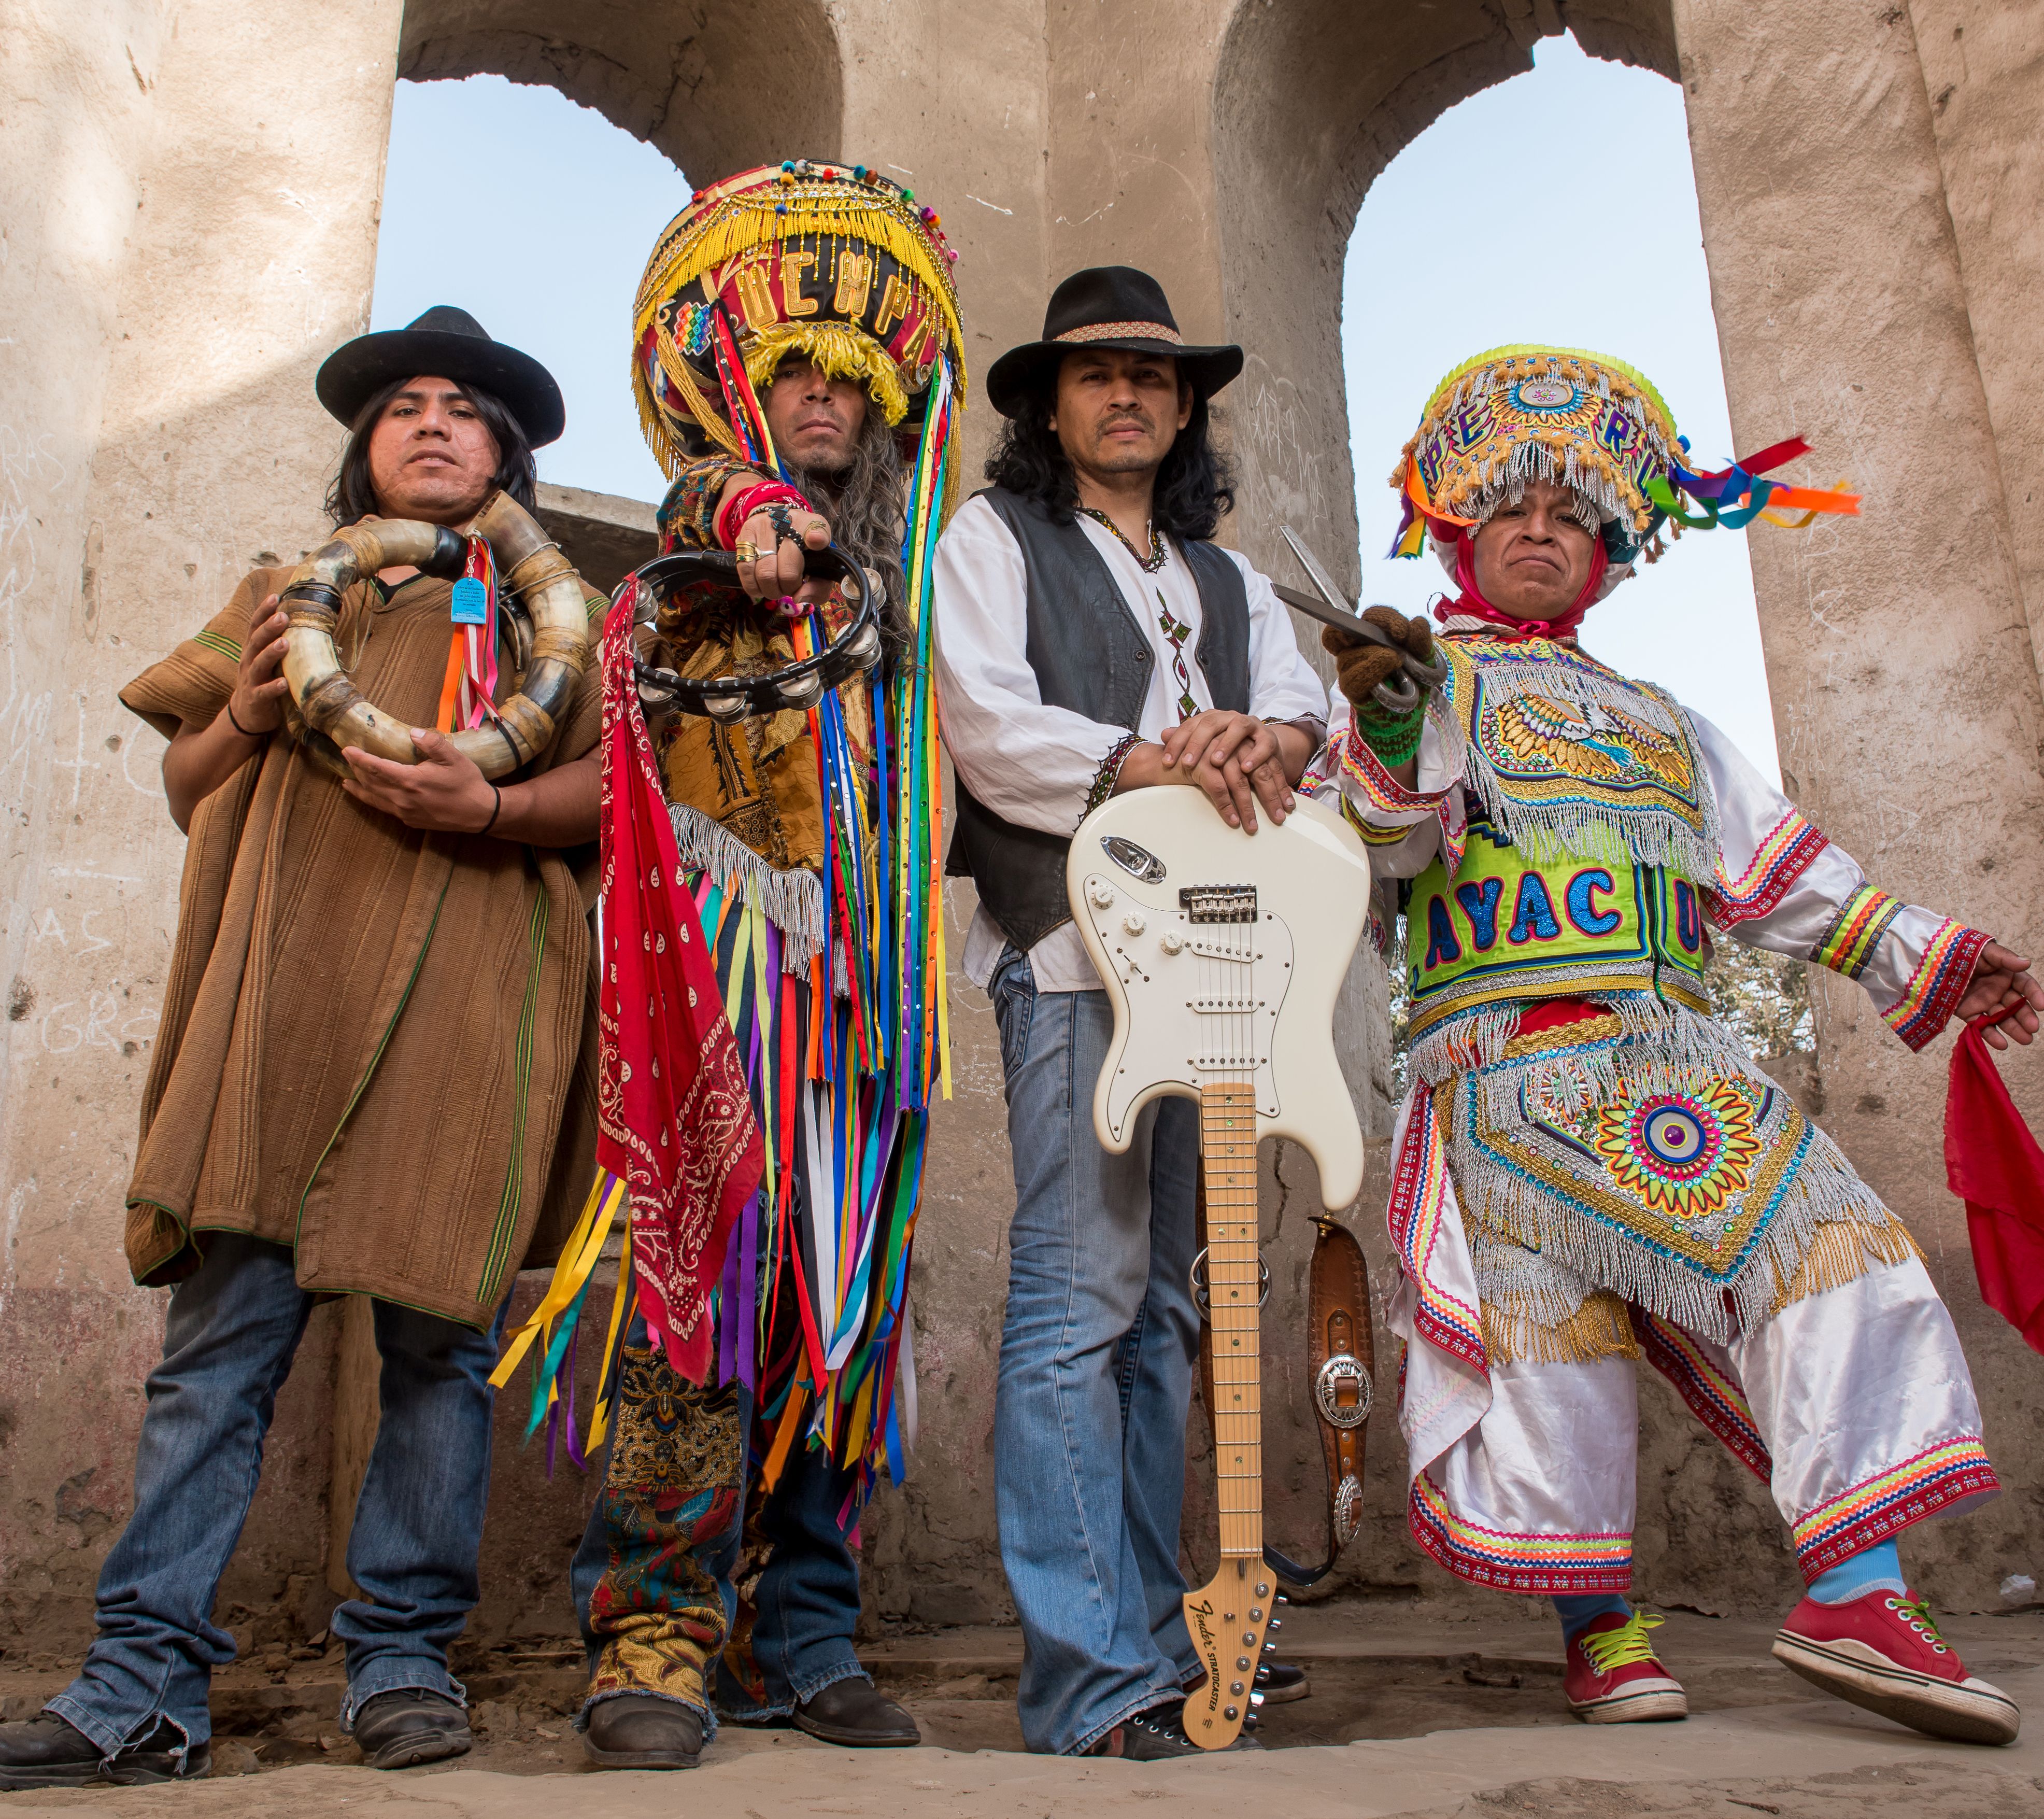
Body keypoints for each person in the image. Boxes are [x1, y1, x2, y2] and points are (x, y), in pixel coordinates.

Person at [1311, 343, 2041, 1744]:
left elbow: (1791, 878)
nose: (1542, 528)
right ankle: (1620, 1629)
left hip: (1670, 1063)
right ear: (1459, 524)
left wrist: (1939, 956)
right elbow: (1389, 851)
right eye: (1513, 503)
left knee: (1823, 1247)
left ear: (1615, 551)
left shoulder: (1668, 724)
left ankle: (1845, 1587)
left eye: (1576, 513)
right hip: (1499, 1078)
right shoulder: (1419, 683)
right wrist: (1392, 719)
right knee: (1569, 1348)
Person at [0, 307, 609, 1790]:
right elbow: (182, 782)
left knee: (437, 1351)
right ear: (366, 446)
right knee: (217, 1355)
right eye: (402, 405)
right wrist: (254, 715)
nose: (433, 424)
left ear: (503, 450)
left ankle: (402, 1659)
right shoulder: (281, 593)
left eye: (465, 408)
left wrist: (494, 811)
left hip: (474, 1003)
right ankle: (141, 1680)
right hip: (284, 1000)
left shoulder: (568, 622)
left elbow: (613, 804)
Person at [544, 160, 965, 1771]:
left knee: (849, 1302)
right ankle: (652, 1627)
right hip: (724, 968)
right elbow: (704, 514)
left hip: (869, 985)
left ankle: (806, 1631)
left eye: (847, 383)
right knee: (693, 1284)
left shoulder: (917, 564)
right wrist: (749, 515)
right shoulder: (710, 526)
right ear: (736, 386)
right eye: (791, 372)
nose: (822, 404)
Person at [931, 266, 1328, 1760]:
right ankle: (1087, 1676)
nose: (1127, 396)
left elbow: (1314, 723)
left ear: (1183, 410)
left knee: (1171, 1310)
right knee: (1076, 1308)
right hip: (1078, 968)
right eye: (1096, 373)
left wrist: (1272, 731)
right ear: (1047, 401)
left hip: (1222, 969)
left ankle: (1167, 1644)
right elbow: (989, 728)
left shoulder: (1228, 583)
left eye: (1154, 378)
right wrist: (1164, 756)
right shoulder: (995, 538)